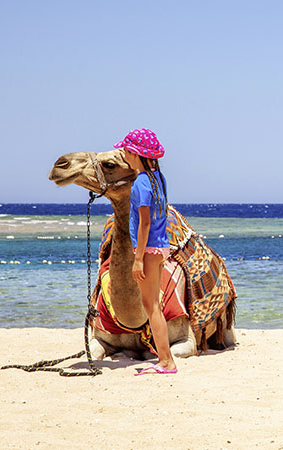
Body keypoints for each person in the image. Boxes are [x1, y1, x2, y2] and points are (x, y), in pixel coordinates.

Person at [116, 128, 177, 375]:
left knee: (151, 306)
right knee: (153, 305)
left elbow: (145, 223)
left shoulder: (141, 183)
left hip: (149, 249)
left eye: (128, 151)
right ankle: (164, 359)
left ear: (137, 154)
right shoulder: (157, 178)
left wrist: (137, 259)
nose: (124, 155)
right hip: (160, 246)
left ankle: (166, 361)